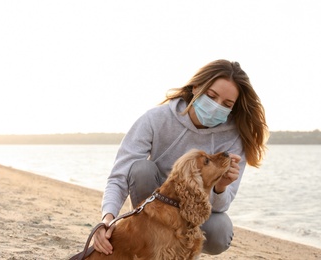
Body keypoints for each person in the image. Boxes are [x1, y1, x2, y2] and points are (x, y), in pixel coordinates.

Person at [93, 59, 269, 256]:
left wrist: (220, 186)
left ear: (233, 108)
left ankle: (180, 249)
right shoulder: (156, 118)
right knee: (141, 169)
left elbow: (222, 206)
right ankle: (150, 241)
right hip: (156, 202)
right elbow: (120, 176)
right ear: (196, 87)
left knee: (220, 232)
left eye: (227, 104)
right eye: (211, 96)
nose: (216, 106)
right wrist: (107, 220)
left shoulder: (234, 138)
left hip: (198, 209)